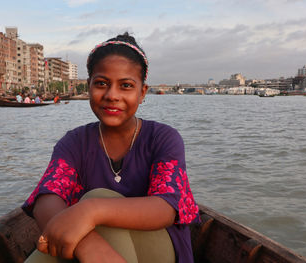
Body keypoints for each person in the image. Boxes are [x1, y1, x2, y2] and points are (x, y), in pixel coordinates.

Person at [22, 32, 199, 263]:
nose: (112, 95)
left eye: (126, 85)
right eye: (101, 83)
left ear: (142, 92)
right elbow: (47, 198)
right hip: (93, 247)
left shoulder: (163, 138)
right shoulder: (74, 142)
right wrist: (88, 245)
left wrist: (92, 210)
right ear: (89, 86)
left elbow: (166, 207)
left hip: (159, 248)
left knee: (96, 199)